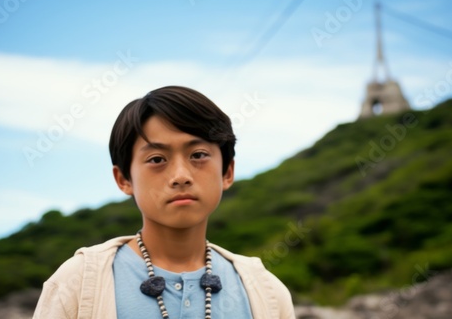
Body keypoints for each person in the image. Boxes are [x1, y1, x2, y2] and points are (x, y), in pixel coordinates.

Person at [33, 86, 295, 318]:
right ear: (124, 179)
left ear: (227, 172)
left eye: (199, 155)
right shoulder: (78, 282)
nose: (180, 176)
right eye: (157, 159)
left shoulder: (266, 291)